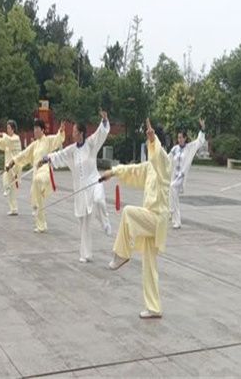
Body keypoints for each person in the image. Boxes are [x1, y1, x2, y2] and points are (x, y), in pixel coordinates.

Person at [102, 118, 171, 319]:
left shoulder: (165, 162)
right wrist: (112, 172)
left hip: (157, 220)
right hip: (150, 219)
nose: (148, 145)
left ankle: (122, 253)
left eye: (150, 141)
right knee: (149, 266)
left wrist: (153, 140)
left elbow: (158, 156)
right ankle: (154, 307)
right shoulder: (150, 167)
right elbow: (132, 170)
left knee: (128, 212)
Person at [40, 110, 112, 262]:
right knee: (84, 223)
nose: (72, 134)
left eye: (74, 132)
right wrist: (47, 158)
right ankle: (85, 254)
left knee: (99, 200)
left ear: (81, 134)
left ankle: (105, 222)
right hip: (81, 190)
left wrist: (104, 121)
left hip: (94, 182)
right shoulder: (72, 150)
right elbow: (59, 155)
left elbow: (100, 134)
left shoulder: (91, 144)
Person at [7, 119, 65, 233]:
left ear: (42, 130)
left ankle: (36, 205)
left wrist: (61, 130)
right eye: (34, 129)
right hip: (36, 173)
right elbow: (24, 154)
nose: (35, 131)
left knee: (38, 181)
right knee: (38, 200)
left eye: (37, 128)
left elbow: (58, 139)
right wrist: (13, 161)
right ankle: (41, 225)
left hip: (45, 171)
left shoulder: (48, 140)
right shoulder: (34, 144)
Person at [168, 119, 206, 229]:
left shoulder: (189, 148)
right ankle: (176, 219)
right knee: (173, 195)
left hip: (181, 176)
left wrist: (202, 128)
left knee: (172, 188)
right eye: (178, 138)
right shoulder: (175, 149)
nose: (179, 139)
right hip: (174, 176)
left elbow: (199, 141)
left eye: (181, 137)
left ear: (185, 138)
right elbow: (167, 158)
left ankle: (172, 212)